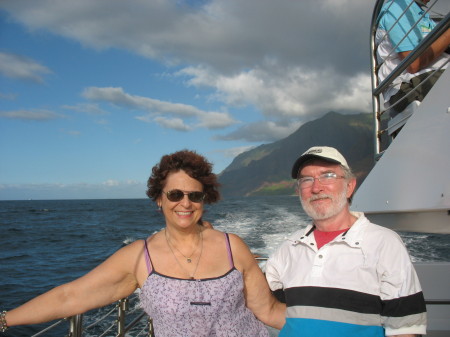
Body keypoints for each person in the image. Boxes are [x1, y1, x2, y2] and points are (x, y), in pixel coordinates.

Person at [1, 149, 285, 336]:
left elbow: (268, 310)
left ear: (204, 200)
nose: (184, 203)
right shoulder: (138, 257)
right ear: (159, 199)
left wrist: (327, 322)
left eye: (194, 195)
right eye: (174, 194)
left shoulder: (232, 247)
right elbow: (71, 296)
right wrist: (4, 320)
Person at [265, 146, 427, 337]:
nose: (316, 188)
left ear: (350, 186)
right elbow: (264, 302)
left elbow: (404, 330)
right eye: (306, 180)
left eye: (328, 176)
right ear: (299, 190)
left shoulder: (384, 244)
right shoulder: (290, 247)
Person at [376, 0, 450, 117]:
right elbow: (413, 63)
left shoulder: (420, 14)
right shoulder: (398, 8)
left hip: (430, 78)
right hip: (408, 86)